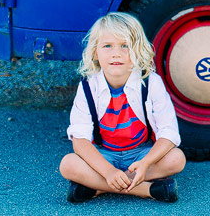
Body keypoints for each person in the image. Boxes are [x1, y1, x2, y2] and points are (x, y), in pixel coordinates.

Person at [59, 12, 186, 202]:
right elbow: (80, 140)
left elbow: (169, 133)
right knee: (68, 164)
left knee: (177, 159)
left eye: (125, 46)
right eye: (107, 46)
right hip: (104, 155)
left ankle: (96, 188)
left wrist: (145, 163)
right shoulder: (88, 86)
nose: (116, 53)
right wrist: (108, 171)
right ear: (95, 52)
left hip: (141, 153)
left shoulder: (151, 82)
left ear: (138, 50)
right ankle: (147, 190)